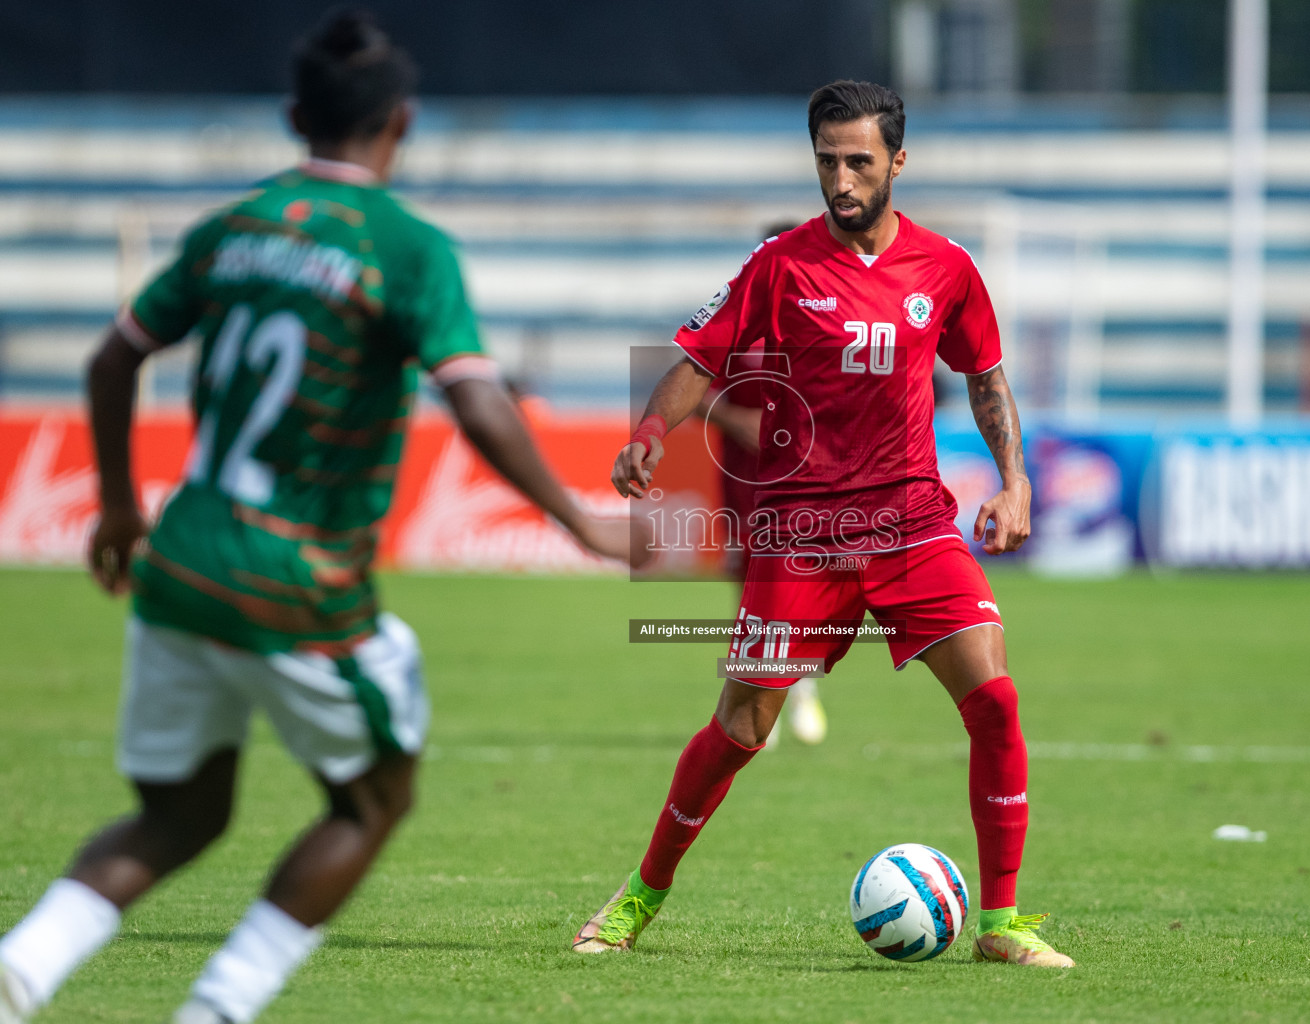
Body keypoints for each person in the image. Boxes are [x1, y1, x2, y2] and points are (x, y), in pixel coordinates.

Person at [0, 11, 631, 1024]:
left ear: (295, 116)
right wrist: (579, 520)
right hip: (295, 576)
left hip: (179, 561)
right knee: (378, 797)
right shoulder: (408, 247)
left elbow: (114, 357)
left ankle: (24, 963)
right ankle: (216, 1008)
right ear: (403, 123)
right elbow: (474, 398)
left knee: (179, 814)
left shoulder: (235, 227)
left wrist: (119, 506)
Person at [575, 80, 1074, 968]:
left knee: (995, 701)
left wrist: (1014, 481)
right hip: (803, 533)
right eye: (826, 162)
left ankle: (1000, 927)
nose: (841, 181)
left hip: (914, 520)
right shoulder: (779, 263)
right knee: (739, 730)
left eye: (858, 162)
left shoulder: (947, 268)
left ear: (897, 163)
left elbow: (986, 377)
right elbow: (698, 356)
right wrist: (653, 430)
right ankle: (637, 899)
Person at [693, 220, 827, 749]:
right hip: (743, 479)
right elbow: (695, 384)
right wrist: (737, 421)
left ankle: (804, 691)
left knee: (805, 586)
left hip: (806, 481)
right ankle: (750, 702)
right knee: (748, 587)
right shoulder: (740, 315)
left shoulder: (826, 323)